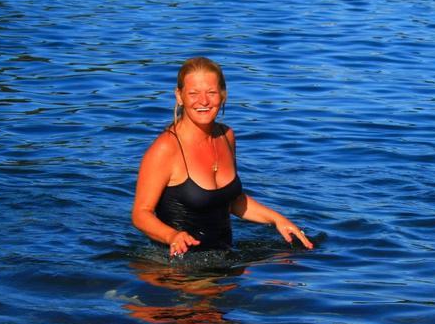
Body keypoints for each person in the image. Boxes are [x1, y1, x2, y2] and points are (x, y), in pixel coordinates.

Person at [133, 57, 314, 256]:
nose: (203, 101)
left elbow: (231, 201)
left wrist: (277, 219)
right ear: (179, 96)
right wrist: (172, 236)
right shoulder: (166, 147)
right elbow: (141, 214)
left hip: (225, 257)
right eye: (193, 93)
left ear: (223, 95)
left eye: (211, 92)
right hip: (178, 268)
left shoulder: (226, 136)